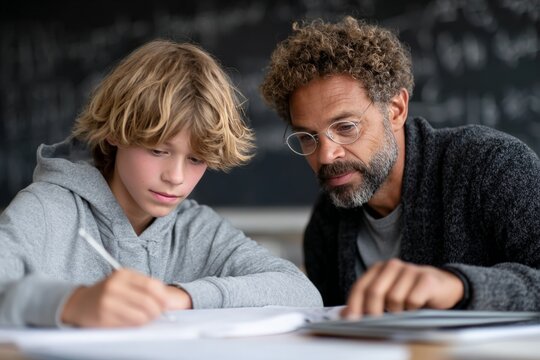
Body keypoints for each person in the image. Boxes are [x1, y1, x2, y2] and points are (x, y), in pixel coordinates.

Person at [0, 39, 322, 328]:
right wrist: (70, 303)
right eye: (158, 150)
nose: (176, 177)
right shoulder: (46, 210)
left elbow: (302, 292)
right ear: (114, 132)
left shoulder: (195, 229)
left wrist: (182, 297)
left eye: (195, 159)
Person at [260, 17, 540, 317]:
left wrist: (457, 286)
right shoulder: (327, 221)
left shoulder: (492, 165)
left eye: (345, 127)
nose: (326, 155)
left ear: (396, 110)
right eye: (307, 137)